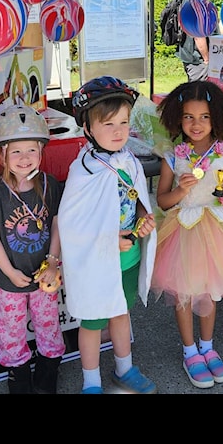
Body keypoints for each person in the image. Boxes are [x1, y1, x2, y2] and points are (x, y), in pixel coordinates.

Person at [151, 80, 223, 388]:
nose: (196, 124)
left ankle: (208, 346)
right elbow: (162, 200)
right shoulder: (173, 155)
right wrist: (179, 190)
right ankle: (189, 350)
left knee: (212, 291)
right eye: (188, 116)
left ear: (216, 117)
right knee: (185, 293)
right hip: (184, 231)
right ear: (178, 117)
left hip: (217, 231)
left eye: (204, 117)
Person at [58, 76, 158, 394]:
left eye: (124, 122)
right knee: (91, 322)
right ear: (87, 129)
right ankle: (91, 383)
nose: (118, 131)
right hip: (96, 264)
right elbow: (72, 223)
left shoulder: (129, 160)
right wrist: (107, 240)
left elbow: (138, 199)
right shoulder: (84, 170)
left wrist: (144, 219)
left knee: (120, 312)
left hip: (127, 258)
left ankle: (124, 369)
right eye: (108, 124)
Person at [0, 104, 66, 394]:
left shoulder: (49, 185)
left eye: (31, 150)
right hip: (10, 280)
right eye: (16, 151)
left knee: (48, 323)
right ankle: (18, 375)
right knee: (11, 330)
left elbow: (55, 224)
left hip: (45, 277)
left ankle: (48, 368)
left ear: (41, 151)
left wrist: (53, 262)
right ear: (1, 154)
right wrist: (10, 272)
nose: (24, 158)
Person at [176, 0, 215, 81]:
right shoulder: (200, 5)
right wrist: (206, 59)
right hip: (198, 60)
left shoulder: (185, 0)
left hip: (187, 55)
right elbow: (199, 36)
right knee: (198, 94)